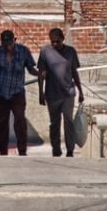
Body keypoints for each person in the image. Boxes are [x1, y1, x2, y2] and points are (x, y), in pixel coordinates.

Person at [0, 29, 38, 156]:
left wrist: (41, 74)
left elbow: (31, 69)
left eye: (9, 44)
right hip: (0, 94)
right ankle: (3, 152)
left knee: (20, 120)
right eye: (4, 44)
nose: (7, 47)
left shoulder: (23, 51)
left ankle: (22, 150)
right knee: (1, 124)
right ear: (1, 42)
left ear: (14, 41)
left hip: (17, 93)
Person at [37, 28, 85, 157]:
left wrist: (80, 91)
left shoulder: (70, 52)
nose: (55, 44)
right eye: (52, 42)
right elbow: (41, 74)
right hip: (52, 94)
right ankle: (56, 149)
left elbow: (74, 72)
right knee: (54, 123)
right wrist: (40, 93)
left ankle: (70, 150)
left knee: (68, 121)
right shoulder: (45, 51)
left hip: (68, 93)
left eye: (57, 41)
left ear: (63, 39)